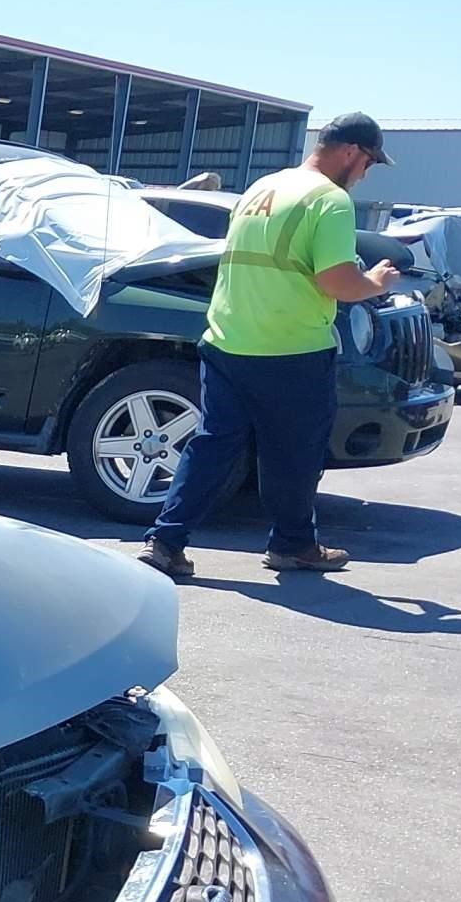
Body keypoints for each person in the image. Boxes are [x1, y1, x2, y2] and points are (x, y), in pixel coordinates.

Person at [141, 113, 403, 581]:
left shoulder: (264, 187)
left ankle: (166, 542)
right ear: (349, 152)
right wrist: (376, 282)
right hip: (291, 349)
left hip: (227, 340)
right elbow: (338, 281)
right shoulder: (331, 201)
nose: (364, 174)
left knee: (213, 446)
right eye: (368, 163)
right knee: (293, 453)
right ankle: (293, 545)